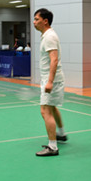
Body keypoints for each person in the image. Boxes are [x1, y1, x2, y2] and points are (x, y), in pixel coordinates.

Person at [33, 8, 67, 157]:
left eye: (37, 19)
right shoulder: (46, 35)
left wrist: (50, 82)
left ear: (45, 21)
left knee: (45, 111)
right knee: (52, 108)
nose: (34, 22)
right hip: (50, 79)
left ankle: (53, 147)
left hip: (51, 80)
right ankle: (61, 134)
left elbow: (54, 60)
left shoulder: (49, 37)